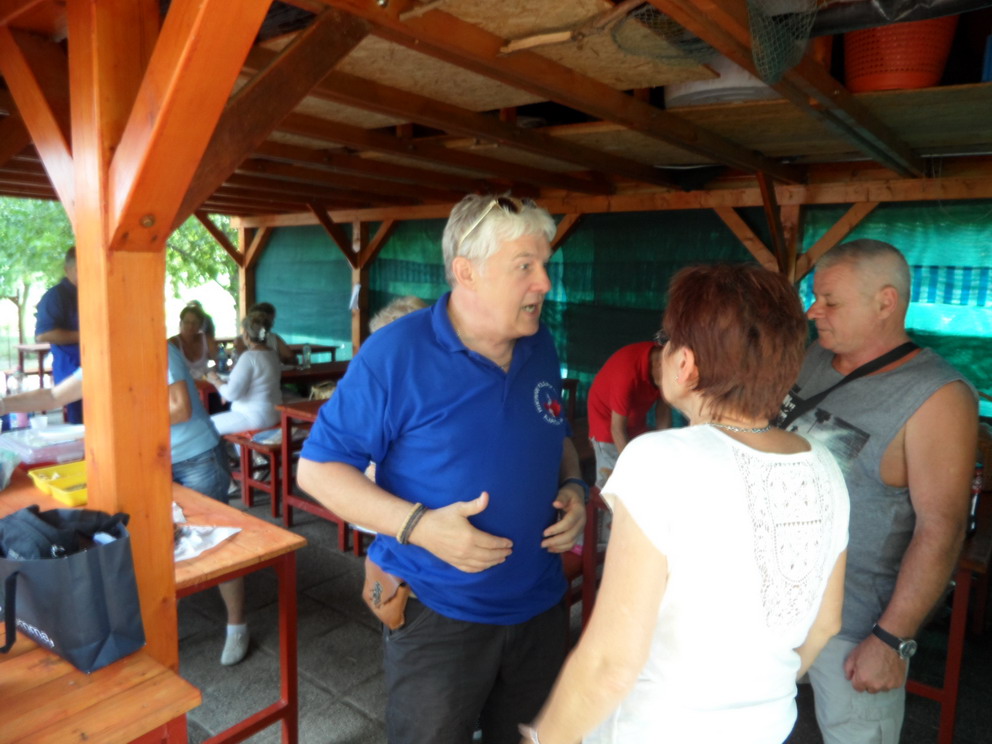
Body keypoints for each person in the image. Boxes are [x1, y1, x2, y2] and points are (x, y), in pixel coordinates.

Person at [297, 193, 586, 744]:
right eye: (525, 266)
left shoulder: (540, 344)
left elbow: (555, 435)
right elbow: (317, 469)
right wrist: (421, 526)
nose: (545, 283)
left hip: (540, 608)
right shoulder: (395, 353)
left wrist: (572, 485)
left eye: (544, 265)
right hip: (438, 615)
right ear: (466, 272)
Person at [522, 264, 850, 744]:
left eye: (669, 339)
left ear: (686, 364)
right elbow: (826, 624)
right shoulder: (824, 463)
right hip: (766, 729)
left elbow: (611, 662)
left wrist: (543, 738)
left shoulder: (659, 460)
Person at [777, 239, 977, 744]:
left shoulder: (936, 396)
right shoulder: (814, 359)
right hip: (776, 604)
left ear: (886, 302)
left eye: (830, 301)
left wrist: (891, 639)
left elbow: (941, 527)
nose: (813, 311)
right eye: (815, 297)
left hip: (853, 623)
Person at [0, 345, 251, 665]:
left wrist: (117, 421)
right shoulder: (102, 353)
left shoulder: (156, 348)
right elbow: (54, 396)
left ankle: (237, 625)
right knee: (163, 539)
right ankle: (165, 620)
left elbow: (180, 408)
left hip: (196, 458)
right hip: (151, 460)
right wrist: (4, 403)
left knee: (221, 544)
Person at [587, 340, 671, 487]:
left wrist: (664, 447)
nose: (671, 384)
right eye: (668, 382)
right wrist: (632, 468)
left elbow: (663, 412)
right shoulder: (626, 374)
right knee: (613, 483)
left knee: (647, 472)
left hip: (635, 420)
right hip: (607, 424)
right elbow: (617, 429)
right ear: (658, 365)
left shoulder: (669, 364)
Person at [207, 311, 281, 435]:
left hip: (253, 416)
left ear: (246, 334)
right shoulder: (272, 354)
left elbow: (231, 394)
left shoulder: (249, 357)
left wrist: (215, 380)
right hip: (273, 413)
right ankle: (246, 449)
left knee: (204, 427)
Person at [34, 247, 82, 424]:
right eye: (79, 269)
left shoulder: (95, 290)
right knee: (81, 429)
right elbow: (43, 334)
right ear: (67, 269)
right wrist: (88, 336)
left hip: (101, 371)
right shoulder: (55, 296)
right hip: (71, 373)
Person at [168, 304, 218, 379]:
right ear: (180, 323)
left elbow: (219, 362)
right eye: (187, 322)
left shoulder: (207, 340)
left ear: (200, 325)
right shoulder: (173, 343)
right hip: (183, 383)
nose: (190, 326)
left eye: (194, 323)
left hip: (204, 382)